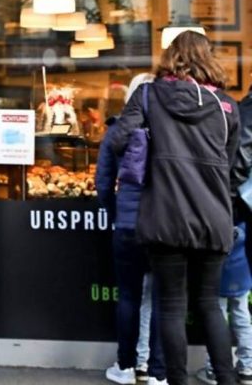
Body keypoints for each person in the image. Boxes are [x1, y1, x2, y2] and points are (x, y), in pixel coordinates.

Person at [112, 31, 243, 385]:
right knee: (209, 304)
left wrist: (148, 140)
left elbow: (119, 140)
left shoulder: (148, 95)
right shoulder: (226, 106)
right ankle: (227, 380)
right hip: (213, 217)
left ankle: (177, 381)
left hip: (165, 215)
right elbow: (231, 165)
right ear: (208, 58)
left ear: (170, 57)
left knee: (171, 305)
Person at [97, 73, 166, 385]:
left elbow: (103, 184)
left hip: (127, 224)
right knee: (161, 298)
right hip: (162, 223)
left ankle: (125, 366)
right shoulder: (169, 130)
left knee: (128, 296)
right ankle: (157, 372)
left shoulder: (116, 130)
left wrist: (116, 213)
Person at [195, 222, 252, 385]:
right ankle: (247, 369)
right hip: (242, 273)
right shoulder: (246, 213)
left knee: (215, 321)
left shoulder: (214, 212)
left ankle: (213, 369)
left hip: (217, 274)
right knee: (243, 320)